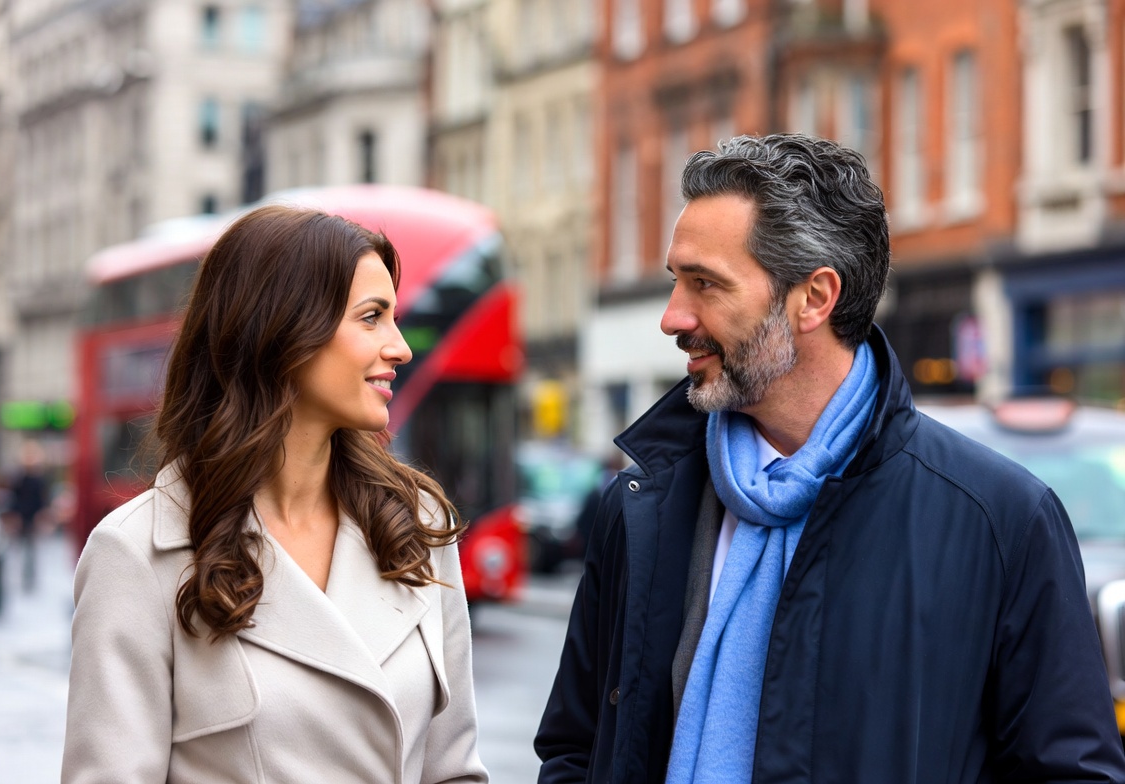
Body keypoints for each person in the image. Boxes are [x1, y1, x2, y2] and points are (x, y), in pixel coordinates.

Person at [535, 134, 1125, 783]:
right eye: (678, 281)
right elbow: (576, 748)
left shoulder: (1001, 521)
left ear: (814, 298)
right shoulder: (643, 505)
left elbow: (1071, 771)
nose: (674, 317)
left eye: (705, 284)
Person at [62, 204, 488, 783]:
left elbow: (455, 770)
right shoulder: (136, 553)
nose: (400, 347)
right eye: (371, 318)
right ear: (285, 332)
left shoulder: (416, 523)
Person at [10, 439, 50, 592]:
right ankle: (25, 576)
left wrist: (41, 516)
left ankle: (30, 577)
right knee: (23, 548)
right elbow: (15, 498)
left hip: (33, 517)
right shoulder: (20, 478)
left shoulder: (38, 480)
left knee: (31, 550)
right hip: (23, 517)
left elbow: (42, 500)